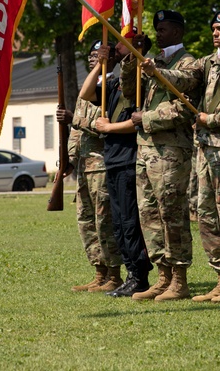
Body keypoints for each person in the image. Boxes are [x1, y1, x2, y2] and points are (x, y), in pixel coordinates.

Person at [154, 10, 220, 304]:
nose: (215, 33)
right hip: (204, 146)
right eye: (213, 28)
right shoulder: (208, 62)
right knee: (207, 215)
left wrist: (212, 120)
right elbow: (185, 79)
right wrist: (156, 71)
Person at [120, 10, 200, 301]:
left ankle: (179, 279)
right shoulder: (149, 62)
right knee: (149, 214)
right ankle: (163, 275)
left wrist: (148, 118)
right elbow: (130, 91)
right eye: (157, 28)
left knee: (171, 213)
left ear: (178, 31)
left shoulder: (188, 62)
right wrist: (133, 57)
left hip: (171, 150)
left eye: (164, 29)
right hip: (145, 150)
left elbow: (185, 104)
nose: (159, 33)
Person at [83, 43, 154, 297]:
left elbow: (138, 121)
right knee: (118, 225)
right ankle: (130, 273)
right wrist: (101, 66)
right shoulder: (111, 86)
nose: (115, 55)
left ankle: (139, 276)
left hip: (128, 159)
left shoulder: (139, 84)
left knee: (130, 222)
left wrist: (108, 128)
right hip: (112, 159)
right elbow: (85, 93)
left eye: (118, 52)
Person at [58, 41, 124, 293]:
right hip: (85, 166)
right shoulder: (89, 86)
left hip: (102, 164)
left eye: (98, 55)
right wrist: (69, 160)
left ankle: (115, 274)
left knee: (104, 221)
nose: (92, 59)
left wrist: (73, 117)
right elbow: (76, 133)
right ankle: (99, 271)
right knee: (86, 220)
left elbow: (102, 126)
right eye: (90, 55)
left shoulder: (112, 86)